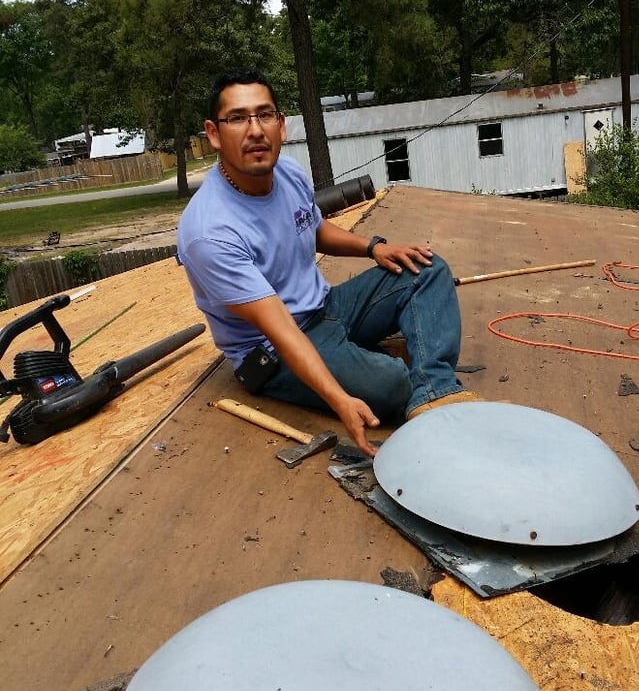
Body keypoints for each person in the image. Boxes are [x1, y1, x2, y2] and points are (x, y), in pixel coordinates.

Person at [177, 67, 477, 457]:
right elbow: (282, 329)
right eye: (237, 118)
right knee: (391, 386)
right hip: (274, 349)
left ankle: (434, 391)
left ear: (281, 125)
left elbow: (313, 228)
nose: (254, 130)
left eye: (265, 114)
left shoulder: (286, 171)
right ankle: (407, 384)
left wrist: (374, 248)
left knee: (426, 269)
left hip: (327, 307)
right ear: (214, 133)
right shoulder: (209, 232)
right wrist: (339, 399)